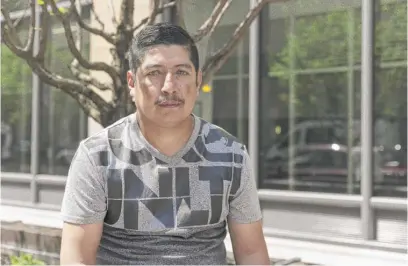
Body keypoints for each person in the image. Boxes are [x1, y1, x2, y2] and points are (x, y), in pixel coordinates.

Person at [60, 22, 269, 265]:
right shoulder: (97, 156)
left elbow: (252, 253)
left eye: (181, 72)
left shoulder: (230, 154)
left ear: (198, 80)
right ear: (131, 82)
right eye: (154, 73)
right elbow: (77, 258)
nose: (169, 87)